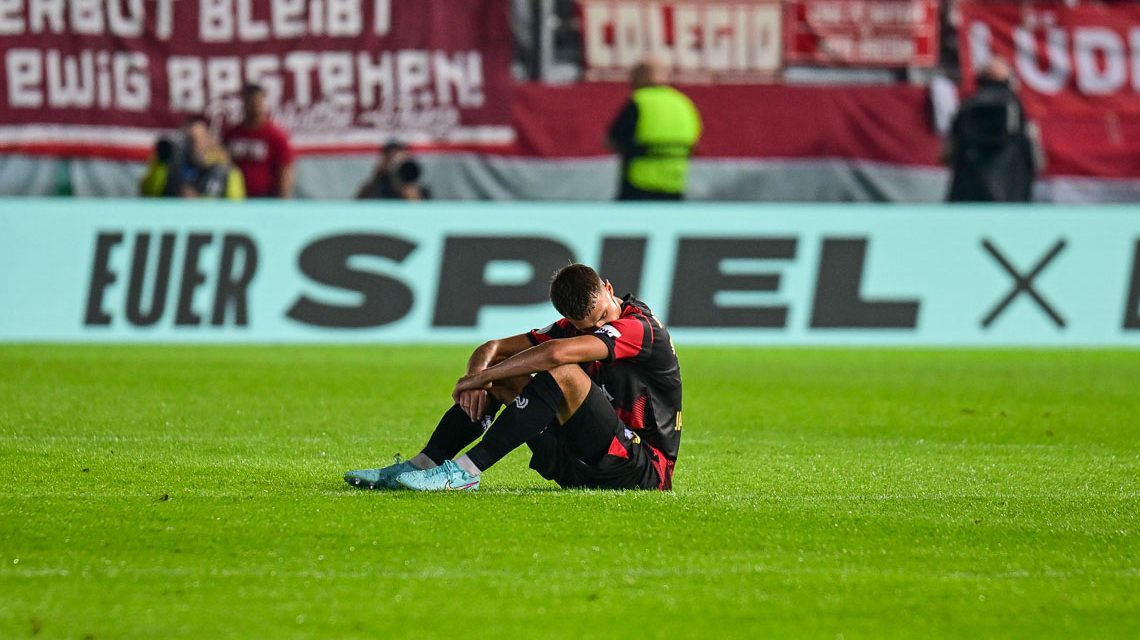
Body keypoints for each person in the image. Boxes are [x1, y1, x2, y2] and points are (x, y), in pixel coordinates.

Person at [344, 263, 682, 492]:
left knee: (562, 371)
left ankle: (466, 472)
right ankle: (422, 464)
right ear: (568, 318)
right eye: (585, 326)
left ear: (609, 289)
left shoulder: (640, 328)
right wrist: (478, 377)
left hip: (640, 467)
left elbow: (555, 354)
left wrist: (481, 378)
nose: (596, 329)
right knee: (505, 374)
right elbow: (492, 348)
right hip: (578, 461)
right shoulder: (570, 328)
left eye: (603, 316)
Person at [944, 57, 1045, 202]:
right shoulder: (1015, 108)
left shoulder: (966, 107)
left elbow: (946, 154)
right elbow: (1037, 161)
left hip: (967, 197)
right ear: (1010, 81)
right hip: (1009, 199)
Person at [605, 56, 702, 201]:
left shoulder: (639, 101)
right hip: (674, 185)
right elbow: (694, 142)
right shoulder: (684, 104)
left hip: (638, 186)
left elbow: (612, 140)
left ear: (641, 76)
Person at [139, 115, 245, 199]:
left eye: (198, 138)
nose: (194, 144)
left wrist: (198, 201)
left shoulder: (225, 170)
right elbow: (148, 192)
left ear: (209, 139)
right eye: (189, 139)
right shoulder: (170, 163)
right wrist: (161, 164)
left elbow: (236, 208)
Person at [224, 83, 295, 198]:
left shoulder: (275, 135)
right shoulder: (232, 134)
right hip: (237, 196)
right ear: (244, 103)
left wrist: (284, 198)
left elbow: (285, 168)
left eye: (258, 102)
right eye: (250, 101)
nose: (254, 105)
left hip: (266, 197)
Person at [354, 141, 431, 200]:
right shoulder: (375, 189)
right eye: (391, 159)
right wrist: (376, 177)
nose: (395, 165)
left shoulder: (420, 190)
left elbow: (428, 212)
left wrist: (414, 198)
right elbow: (359, 206)